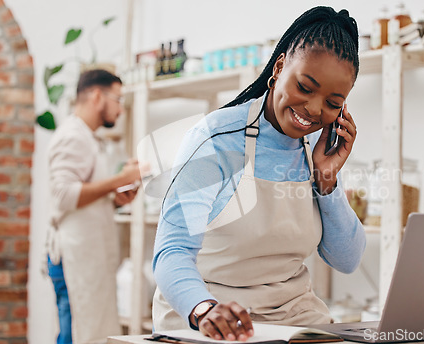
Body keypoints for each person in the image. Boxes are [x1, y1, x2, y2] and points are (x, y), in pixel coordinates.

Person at [152, 6, 366, 341]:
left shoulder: (314, 151)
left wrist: (328, 182)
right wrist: (204, 309)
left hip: (293, 317)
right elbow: (172, 251)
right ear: (279, 67)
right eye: (305, 87)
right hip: (216, 316)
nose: (313, 109)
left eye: (332, 102)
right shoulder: (215, 139)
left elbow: (348, 259)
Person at [46, 69, 142, 344]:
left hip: (87, 254)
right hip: (73, 256)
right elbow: (63, 195)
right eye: (118, 99)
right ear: (98, 96)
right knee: (74, 334)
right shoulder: (72, 136)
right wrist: (118, 180)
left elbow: (81, 198)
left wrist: (115, 198)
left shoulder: (89, 138)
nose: (120, 110)